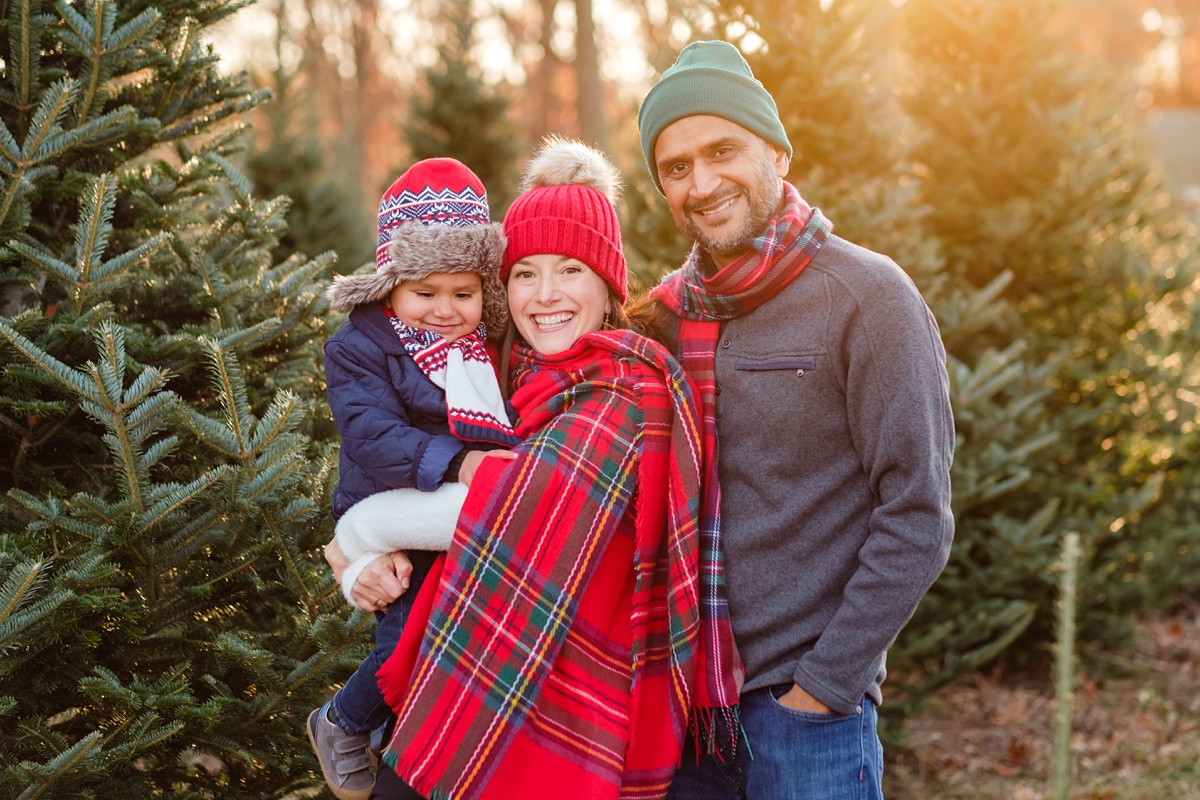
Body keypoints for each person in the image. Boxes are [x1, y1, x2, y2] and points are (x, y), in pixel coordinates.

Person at [330, 138, 741, 800]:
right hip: (467, 673)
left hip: (566, 700)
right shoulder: (506, 376)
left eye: (570, 269)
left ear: (608, 284)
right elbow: (384, 447)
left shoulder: (623, 391)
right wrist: (357, 556)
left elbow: (500, 503)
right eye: (525, 273)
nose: (545, 295)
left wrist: (356, 538)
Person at [634, 40, 956, 800]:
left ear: (777, 152)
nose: (702, 183)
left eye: (723, 150)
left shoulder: (869, 299)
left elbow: (917, 514)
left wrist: (822, 689)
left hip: (804, 718)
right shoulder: (660, 322)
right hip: (674, 711)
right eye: (675, 167)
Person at [310, 158, 520, 800]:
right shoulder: (360, 346)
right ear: (391, 285)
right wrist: (463, 463)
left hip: (463, 517)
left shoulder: (489, 350)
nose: (445, 310)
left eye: (463, 293)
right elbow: (372, 437)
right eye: (425, 292)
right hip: (395, 511)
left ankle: (415, 740)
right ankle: (344, 721)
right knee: (407, 644)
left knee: (459, 645)